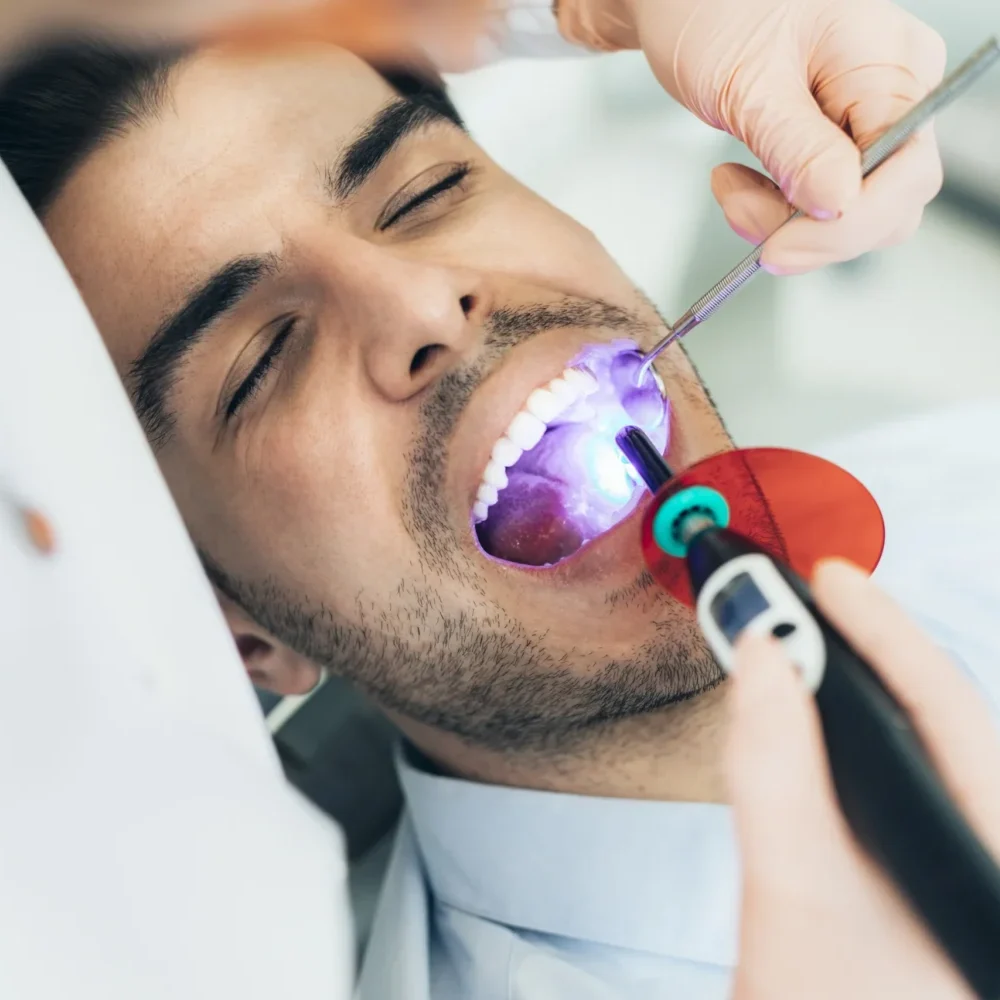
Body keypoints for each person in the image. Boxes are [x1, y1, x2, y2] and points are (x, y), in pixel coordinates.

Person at [3, 29, 998, 998]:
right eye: (262, 363)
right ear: (238, 638)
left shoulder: (960, 471)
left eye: (424, 192)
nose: (427, 307)